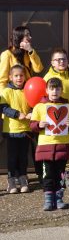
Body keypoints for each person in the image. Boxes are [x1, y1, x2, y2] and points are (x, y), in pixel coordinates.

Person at [30, 78, 69, 211]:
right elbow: (32, 125)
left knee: (60, 175)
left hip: (62, 146)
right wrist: (38, 125)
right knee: (48, 175)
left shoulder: (68, 107)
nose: (54, 91)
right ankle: (49, 200)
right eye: (51, 88)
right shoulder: (39, 107)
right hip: (46, 147)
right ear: (46, 90)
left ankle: (59, 198)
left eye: (57, 88)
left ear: (61, 90)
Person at [43, 48, 69, 189]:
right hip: (53, 120)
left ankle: (68, 175)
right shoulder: (47, 78)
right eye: (58, 59)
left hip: (68, 119)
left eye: (64, 59)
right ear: (52, 62)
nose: (61, 62)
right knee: (55, 147)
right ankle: (55, 175)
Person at [0, 65, 32, 193]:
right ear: (10, 77)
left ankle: (23, 177)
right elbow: (3, 108)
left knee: (23, 156)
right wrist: (17, 114)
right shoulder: (6, 91)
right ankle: (11, 180)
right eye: (16, 76)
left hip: (25, 130)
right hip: (12, 131)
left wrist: (31, 112)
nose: (19, 78)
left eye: (21, 75)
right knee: (12, 156)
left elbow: (34, 104)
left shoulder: (28, 90)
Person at [0, 26, 43, 94]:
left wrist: (30, 50)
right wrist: (3, 99)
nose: (30, 37)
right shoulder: (7, 54)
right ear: (19, 38)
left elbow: (38, 69)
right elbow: (2, 80)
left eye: (30, 35)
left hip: (28, 92)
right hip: (13, 94)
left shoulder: (28, 53)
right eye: (27, 35)